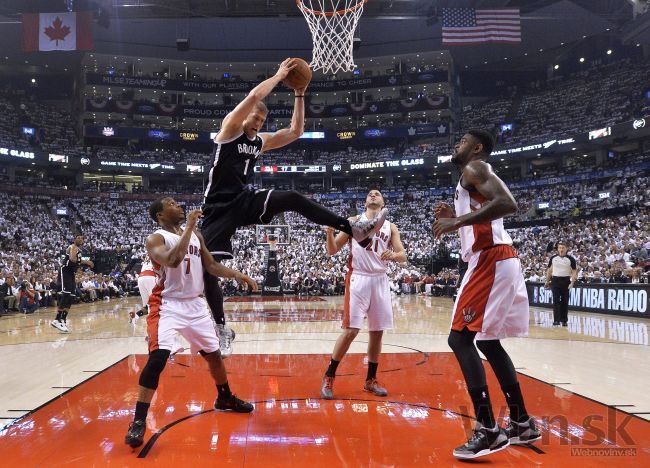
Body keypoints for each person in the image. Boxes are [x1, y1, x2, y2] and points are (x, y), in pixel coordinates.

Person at [201, 58, 387, 355]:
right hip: (217, 208)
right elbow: (253, 97)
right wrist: (277, 76)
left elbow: (296, 131)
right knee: (208, 269)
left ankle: (351, 228)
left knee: (292, 197)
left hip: (244, 199)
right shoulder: (229, 131)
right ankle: (221, 328)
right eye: (254, 119)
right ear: (244, 117)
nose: (257, 124)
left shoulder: (259, 141)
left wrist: (300, 93)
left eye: (261, 122)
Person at [433, 129, 540, 460]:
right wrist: (458, 219)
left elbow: (508, 203)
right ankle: (522, 423)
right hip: (498, 258)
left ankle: (488, 431)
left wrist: (459, 220)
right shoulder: (469, 178)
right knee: (488, 342)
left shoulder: (475, 167)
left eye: (463, 141)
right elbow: (485, 214)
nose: (457, 145)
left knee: (459, 339)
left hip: (490, 259)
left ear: (477, 148)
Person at [125, 197, 258, 448]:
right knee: (158, 358)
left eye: (177, 203)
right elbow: (172, 260)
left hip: (195, 303)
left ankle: (225, 398)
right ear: (160, 215)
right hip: (168, 303)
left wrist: (237, 274)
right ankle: (139, 421)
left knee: (214, 355)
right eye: (171, 204)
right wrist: (187, 229)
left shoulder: (196, 236)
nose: (178, 205)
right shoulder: (156, 238)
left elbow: (211, 265)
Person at [320, 190, 406, 400]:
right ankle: (329, 376)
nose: (374, 194)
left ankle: (370, 380)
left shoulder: (390, 226)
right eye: (370, 194)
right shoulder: (353, 222)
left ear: (383, 202)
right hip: (358, 278)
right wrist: (329, 234)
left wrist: (393, 255)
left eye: (378, 193)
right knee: (351, 330)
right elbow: (333, 250)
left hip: (380, 279)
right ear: (365, 202)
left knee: (377, 332)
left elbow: (403, 256)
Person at [51, 235, 94, 333]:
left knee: (71, 296)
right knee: (66, 294)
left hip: (71, 273)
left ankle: (63, 319)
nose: (80, 239)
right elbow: (72, 259)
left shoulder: (79, 250)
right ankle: (56, 319)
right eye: (78, 238)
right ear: (75, 240)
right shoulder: (73, 247)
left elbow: (75, 263)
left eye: (82, 238)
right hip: (65, 271)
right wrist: (86, 262)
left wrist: (83, 264)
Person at [545, 241, 577, 326]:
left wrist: (572, 283)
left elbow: (574, 272)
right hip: (555, 280)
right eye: (560, 247)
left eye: (563, 248)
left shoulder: (571, 259)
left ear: (566, 249)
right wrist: (547, 281)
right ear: (557, 249)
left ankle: (564, 320)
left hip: (566, 281)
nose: (561, 249)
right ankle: (556, 320)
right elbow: (549, 270)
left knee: (564, 301)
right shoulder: (553, 258)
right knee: (555, 301)